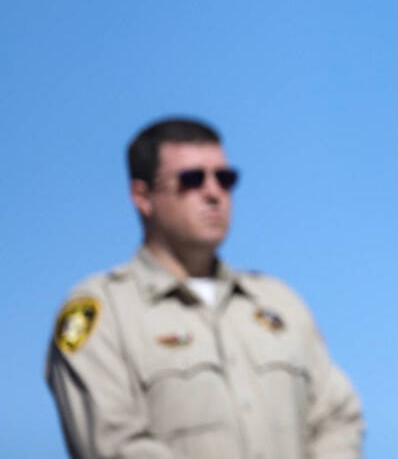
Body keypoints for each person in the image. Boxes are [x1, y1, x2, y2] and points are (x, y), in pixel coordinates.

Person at [46, 118, 363, 459]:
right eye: (192, 179)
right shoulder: (103, 311)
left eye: (225, 179)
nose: (214, 193)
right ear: (143, 196)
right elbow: (114, 445)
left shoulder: (280, 303)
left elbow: (338, 417)